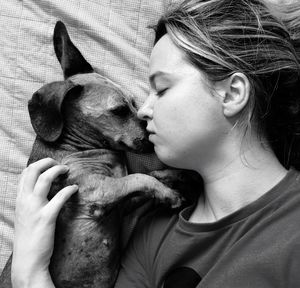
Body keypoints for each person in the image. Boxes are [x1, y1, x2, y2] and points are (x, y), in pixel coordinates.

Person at [11, 0, 300, 287]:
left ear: (233, 93)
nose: (143, 110)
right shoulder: (151, 233)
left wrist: (29, 276)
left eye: (161, 89)